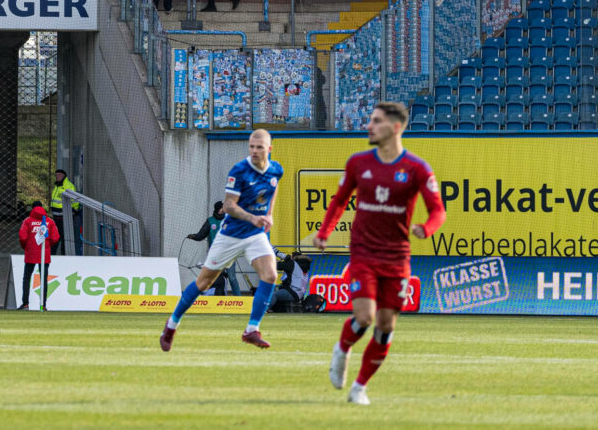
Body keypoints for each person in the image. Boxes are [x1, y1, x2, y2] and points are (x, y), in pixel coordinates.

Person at [313, 102, 446, 406]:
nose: (369, 126)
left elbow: (438, 211)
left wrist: (427, 228)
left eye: (376, 121)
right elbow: (339, 200)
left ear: (395, 127)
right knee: (365, 316)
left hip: (397, 257)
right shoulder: (358, 163)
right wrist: (324, 232)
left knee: (386, 326)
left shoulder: (417, 168)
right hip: (363, 252)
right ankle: (342, 349)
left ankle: (359, 387)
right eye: (370, 120)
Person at [160, 128, 281, 350]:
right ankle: (171, 324)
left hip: (254, 235)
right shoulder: (240, 171)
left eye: (259, 147)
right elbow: (229, 206)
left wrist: (269, 215)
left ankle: (251, 330)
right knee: (203, 283)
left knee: (270, 274)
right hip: (231, 235)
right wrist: (253, 218)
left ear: (269, 149)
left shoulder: (275, 170)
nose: (254, 151)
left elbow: (272, 191)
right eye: (251, 147)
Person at [17, 201, 53, 310]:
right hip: (44, 254)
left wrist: (25, 246)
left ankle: (25, 304)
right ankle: (43, 305)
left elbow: (22, 237)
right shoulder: (49, 221)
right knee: (43, 279)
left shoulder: (27, 221)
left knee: (27, 278)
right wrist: (48, 246)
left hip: (31, 253)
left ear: (32, 209)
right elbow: (55, 237)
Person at [49, 168, 83, 252]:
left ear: (64, 176)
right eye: (56, 175)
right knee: (56, 236)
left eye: (59, 175)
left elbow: (75, 200)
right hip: (56, 217)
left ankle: (63, 254)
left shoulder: (68, 186)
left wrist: (74, 210)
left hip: (64, 217)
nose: (57, 176)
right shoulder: (57, 186)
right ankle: (53, 253)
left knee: (64, 237)